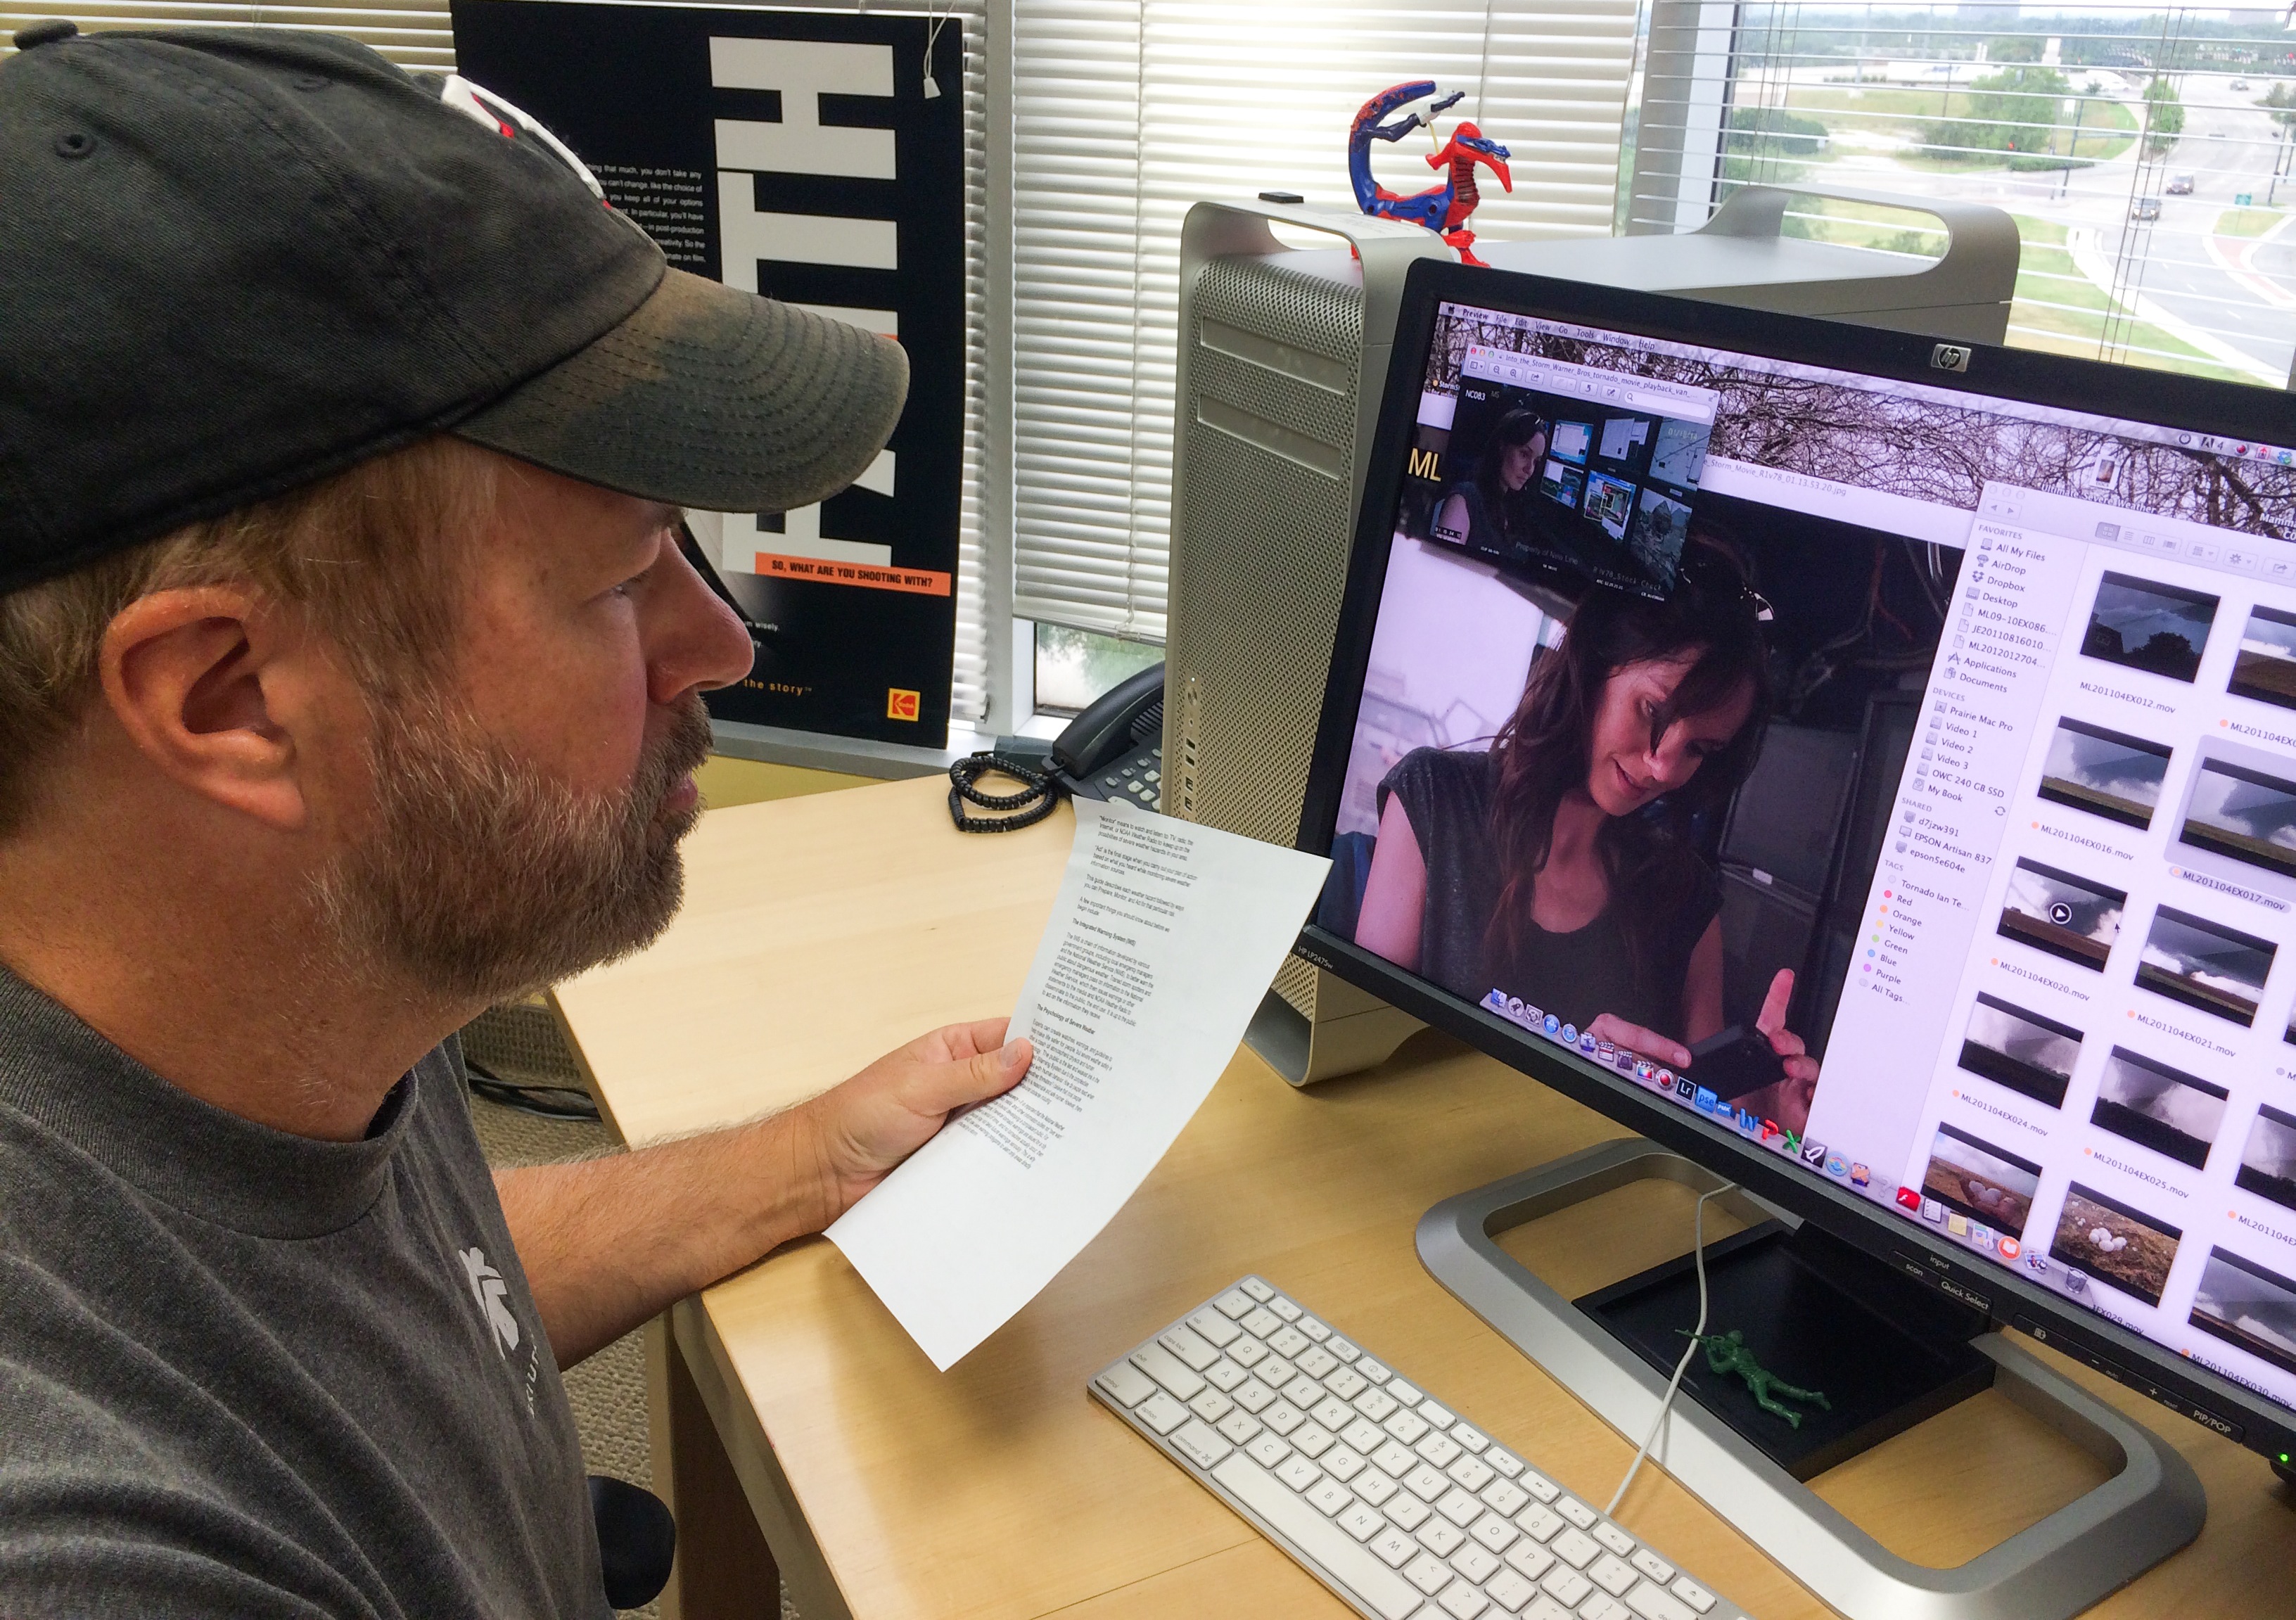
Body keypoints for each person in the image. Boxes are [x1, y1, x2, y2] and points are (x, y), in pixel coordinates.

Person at [0, 27, 1031, 1617]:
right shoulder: (94, 1550)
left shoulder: (264, 989)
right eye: (623, 583)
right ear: (229, 700)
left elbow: (361, 1305)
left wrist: (793, 1162)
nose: (718, 646)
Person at [1352, 545, 1819, 1131]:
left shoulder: (1684, 897)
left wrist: (1765, 1112)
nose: (1663, 767)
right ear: (1596, 662)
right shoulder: (1434, 802)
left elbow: (1711, 1117)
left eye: (1700, 749)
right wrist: (1568, 1077)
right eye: (1653, 710)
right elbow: (1360, 1061)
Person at [1432, 408, 1548, 552]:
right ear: (1502, 446)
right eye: (1524, 454)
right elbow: (1442, 564)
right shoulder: (1465, 499)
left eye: (1536, 461)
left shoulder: (1515, 508)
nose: (1530, 469)